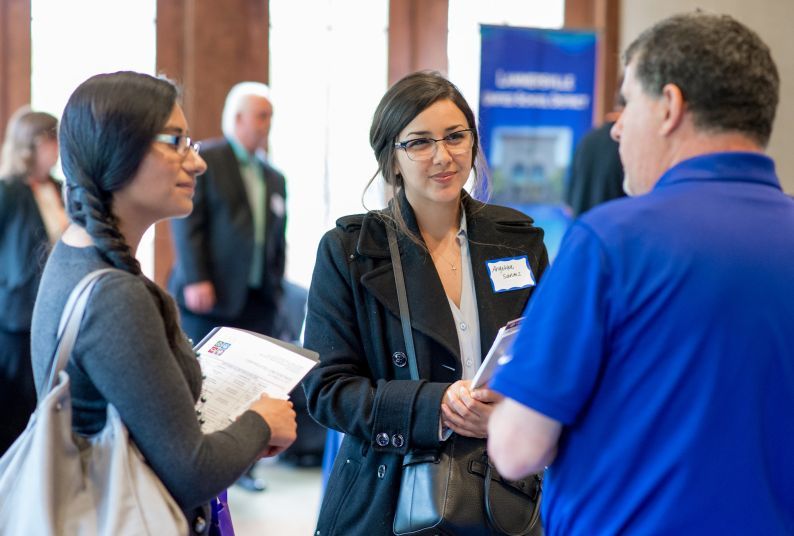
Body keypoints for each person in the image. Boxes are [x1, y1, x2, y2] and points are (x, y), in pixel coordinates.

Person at [487, 12, 794, 535]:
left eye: (628, 102)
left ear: (670, 106)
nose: (618, 126)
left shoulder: (610, 241)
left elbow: (517, 450)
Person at [30, 71, 297, 535]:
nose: (197, 163)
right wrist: (260, 420)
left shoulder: (75, 254)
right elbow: (192, 471)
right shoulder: (115, 294)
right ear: (118, 147)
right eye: (175, 141)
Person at [302, 71, 549, 535]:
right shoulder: (349, 250)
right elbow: (326, 390)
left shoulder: (519, 242)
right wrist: (433, 405)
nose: (443, 156)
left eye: (456, 136)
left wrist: (508, 411)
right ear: (392, 159)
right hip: (389, 495)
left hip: (505, 491)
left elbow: (553, 364)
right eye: (419, 142)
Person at [169, 81, 287, 346]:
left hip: (259, 301)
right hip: (211, 295)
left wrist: (277, 287)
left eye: (271, 117)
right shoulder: (206, 160)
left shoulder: (274, 177)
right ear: (237, 118)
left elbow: (278, 237)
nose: (268, 124)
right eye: (261, 116)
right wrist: (196, 278)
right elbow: (188, 223)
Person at [0, 107, 66, 454]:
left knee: (43, 396)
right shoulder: (8, 190)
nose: (57, 148)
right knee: (15, 404)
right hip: (14, 314)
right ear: (31, 144)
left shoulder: (57, 187)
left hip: (52, 306)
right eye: (51, 140)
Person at [564, 90, 626, 216]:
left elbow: (568, 207)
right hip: (612, 231)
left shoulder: (586, 140)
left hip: (581, 230)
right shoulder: (625, 143)